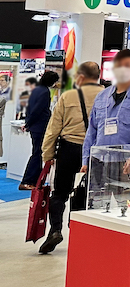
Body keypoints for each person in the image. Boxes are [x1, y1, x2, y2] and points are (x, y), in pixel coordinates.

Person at [38, 62, 103, 255]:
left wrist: (48, 155)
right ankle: (81, 232)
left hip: (69, 148)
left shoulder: (67, 96)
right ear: (98, 75)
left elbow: (53, 129)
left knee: (59, 193)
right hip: (97, 151)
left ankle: (55, 230)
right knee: (90, 193)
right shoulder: (108, 96)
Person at [82, 49, 130, 192]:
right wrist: (86, 159)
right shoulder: (102, 96)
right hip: (99, 160)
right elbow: (92, 130)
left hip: (127, 163)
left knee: (126, 203)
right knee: (96, 202)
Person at [20, 70, 59, 189]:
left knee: (37, 152)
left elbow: (30, 109)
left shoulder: (36, 90)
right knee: (38, 153)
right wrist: (29, 123)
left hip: (35, 126)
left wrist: (28, 123)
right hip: (40, 126)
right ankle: (28, 181)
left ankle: (33, 180)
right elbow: (37, 109)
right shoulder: (44, 92)